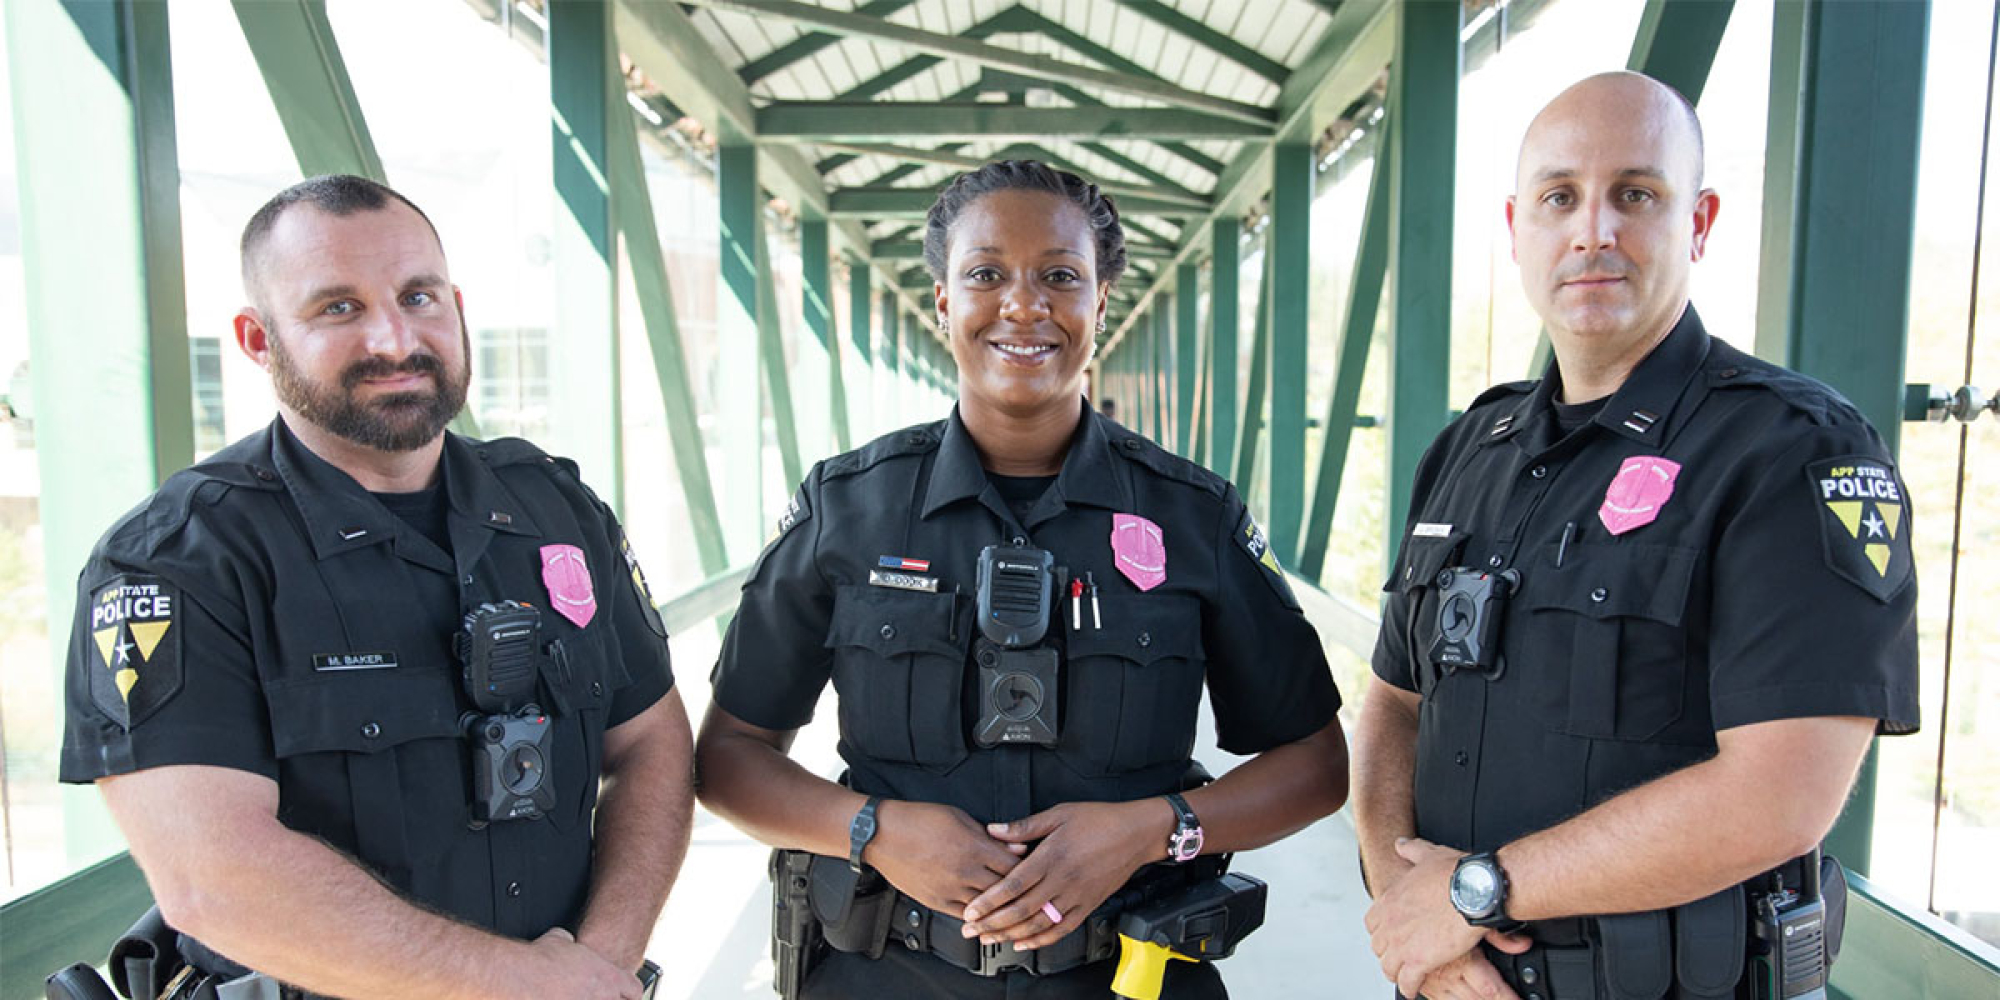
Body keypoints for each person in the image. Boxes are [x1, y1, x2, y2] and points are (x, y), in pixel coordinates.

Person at [696, 160, 1350, 998]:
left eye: (1060, 277)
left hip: (1128, 981)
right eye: (986, 274)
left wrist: (1155, 830)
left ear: (1100, 305)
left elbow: (1316, 763)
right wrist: (872, 829)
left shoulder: (1195, 518)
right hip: (885, 975)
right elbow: (729, 756)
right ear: (943, 302)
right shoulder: (848, 509)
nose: (1024, 304)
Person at [58, 175, 694, 1000]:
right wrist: (520, 985)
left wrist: (601, 968)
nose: (395, 338)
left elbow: (651, 744)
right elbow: (213, 877)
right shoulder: (179, 561)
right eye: (338, 308)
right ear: (258, 339)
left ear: (457, 308)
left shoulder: (556, 510)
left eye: (418, 296)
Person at [1355, 73, 1920, 1000]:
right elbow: (1394, 704)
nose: (1593, 231)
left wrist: (1471, 895)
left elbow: (1781, 796)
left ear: (1697, 223)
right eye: (1559, 197)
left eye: (1637, 194)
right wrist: (1405, 907)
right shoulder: (1469, 448)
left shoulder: (1790, 450)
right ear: (1516, 228)